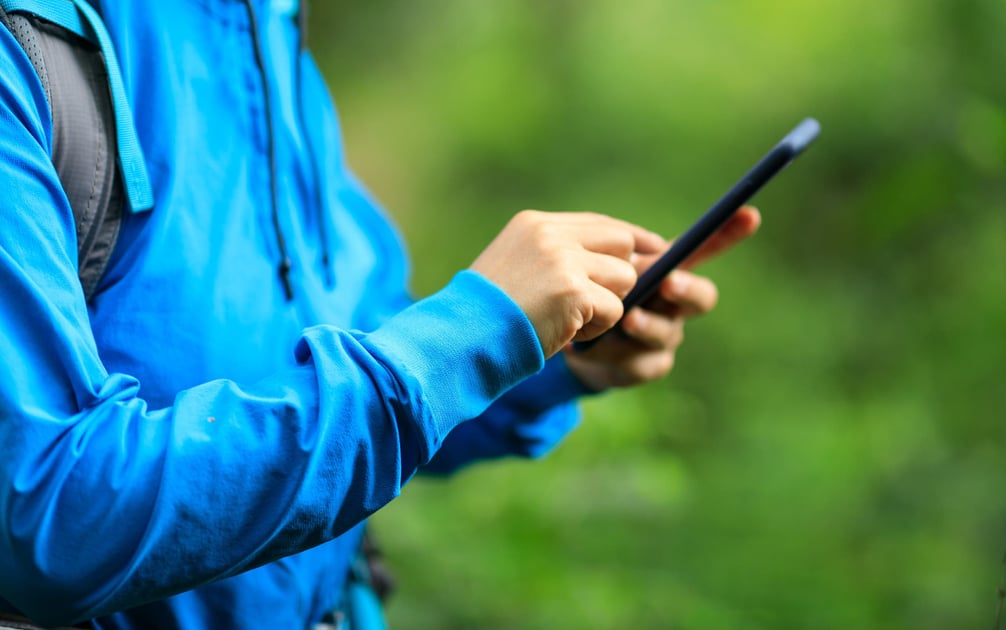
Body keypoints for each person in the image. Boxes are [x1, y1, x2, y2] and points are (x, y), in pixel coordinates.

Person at [0, 1, 761, 628]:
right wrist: (472, 334)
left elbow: (362, 362)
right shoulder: (27, 54)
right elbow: (53, 520)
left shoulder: (267, 34)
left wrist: (554, 347)